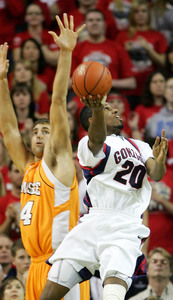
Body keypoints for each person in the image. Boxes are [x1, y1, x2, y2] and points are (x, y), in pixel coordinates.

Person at [40, 95, 168, 300]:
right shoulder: (86, 145)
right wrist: (98, 107)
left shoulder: (140, 146)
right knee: (49, 293)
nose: (116, 109)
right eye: (108, 109)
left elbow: (157, 174)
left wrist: (160, 161)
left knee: (113, 295)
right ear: (93, 119)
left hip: (126, 226)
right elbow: (97, 139)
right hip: (94, 221)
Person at [0, 14, 89, 300]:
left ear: (58, 137)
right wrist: (2, 80)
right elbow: (8, 128)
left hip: (63, 263)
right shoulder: (28, 166)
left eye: (46, 130)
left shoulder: (60, 162)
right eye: (36, 130)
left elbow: (58, 100)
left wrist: (65, 53)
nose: (39, 134)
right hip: (35, 266)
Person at [116, 0, 167, 109]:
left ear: (148, 14)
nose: (140, 14)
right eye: (136, 11)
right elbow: (116, 64)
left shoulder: (158, 36)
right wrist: (124, 51)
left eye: (144, 11)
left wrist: (148, 49)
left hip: (150, 87)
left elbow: (164, 62)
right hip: (128, 88)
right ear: (132, 15)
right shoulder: (122, 36)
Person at [71, 9, 136, 92]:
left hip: (111, 95)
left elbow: (131, 83)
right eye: (90, 20)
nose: (94, 23)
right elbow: (68, 81)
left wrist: (104, 82)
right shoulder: (77, 48)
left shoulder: (117, 48)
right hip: (84, 95)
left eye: (98, 20)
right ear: (85, 25)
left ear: (105, 24)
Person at [0, 161, 23, 241]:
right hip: (10, 246)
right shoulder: (2, 202)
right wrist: (9, 219)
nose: (20, 175)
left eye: (22, 171)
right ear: (9, 174)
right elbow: (1, 234)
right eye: (16, 171)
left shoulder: (36, 200)